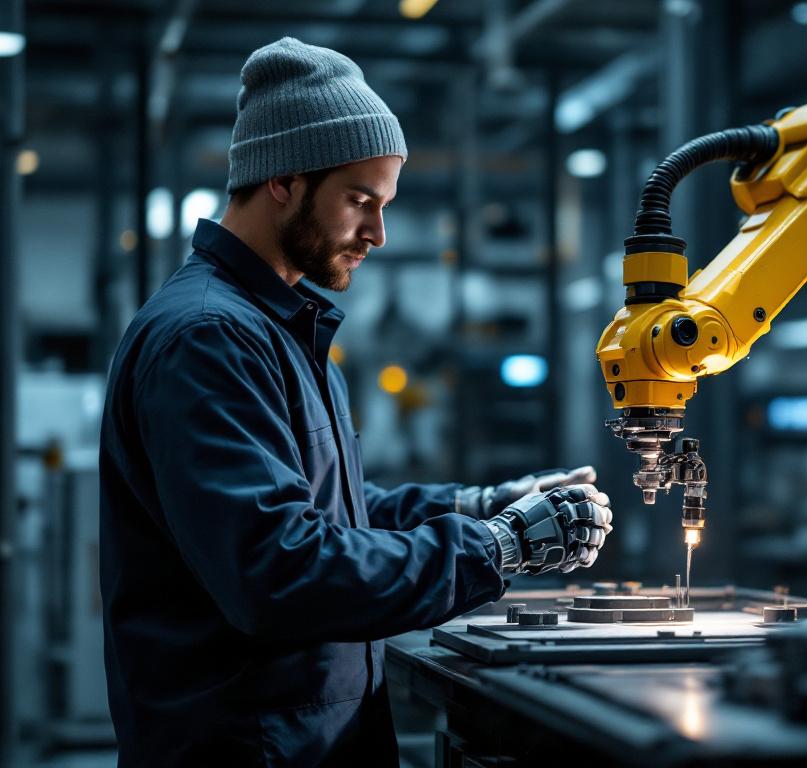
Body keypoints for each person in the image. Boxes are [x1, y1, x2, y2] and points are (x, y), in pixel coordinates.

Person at [98, 37, 613, 766]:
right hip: (251, 748)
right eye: (360, 201)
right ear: (283, 179)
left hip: (304, 739)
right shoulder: (208, 337)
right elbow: (279, 570)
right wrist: (500, 548)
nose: (377, 233)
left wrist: (484, 504)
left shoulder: (278, 327)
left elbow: (331, 511)